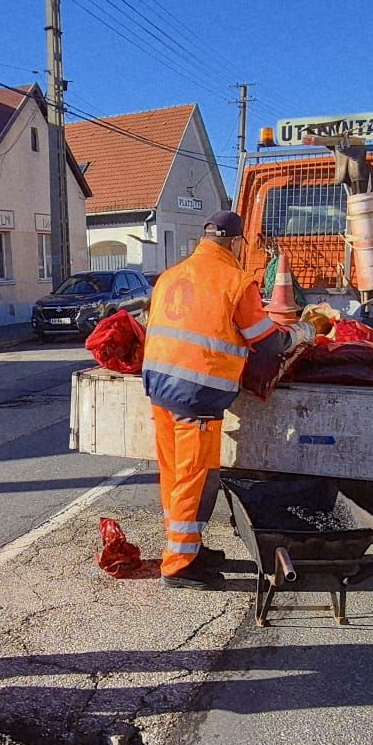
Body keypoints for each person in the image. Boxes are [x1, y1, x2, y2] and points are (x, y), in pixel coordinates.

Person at [141, 210, 296, 589]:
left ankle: (186, 546)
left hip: (160, 387)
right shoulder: (237, 282)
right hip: (197, 395)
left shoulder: (169, 276)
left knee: (175, 474)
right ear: (237, 243)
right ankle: (178, 566)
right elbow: (267, 343)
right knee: (194, 478)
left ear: (204, 237)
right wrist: (297, 335)